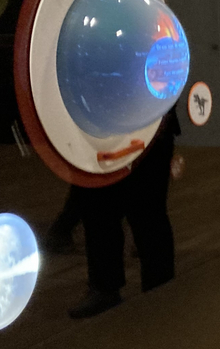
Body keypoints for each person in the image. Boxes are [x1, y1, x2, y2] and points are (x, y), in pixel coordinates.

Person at [65, 111, 179, 319]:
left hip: (148, 126)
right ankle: (104, 288)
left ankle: (160, 291)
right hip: (102, 129)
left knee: (148, 214)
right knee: (98, 209)